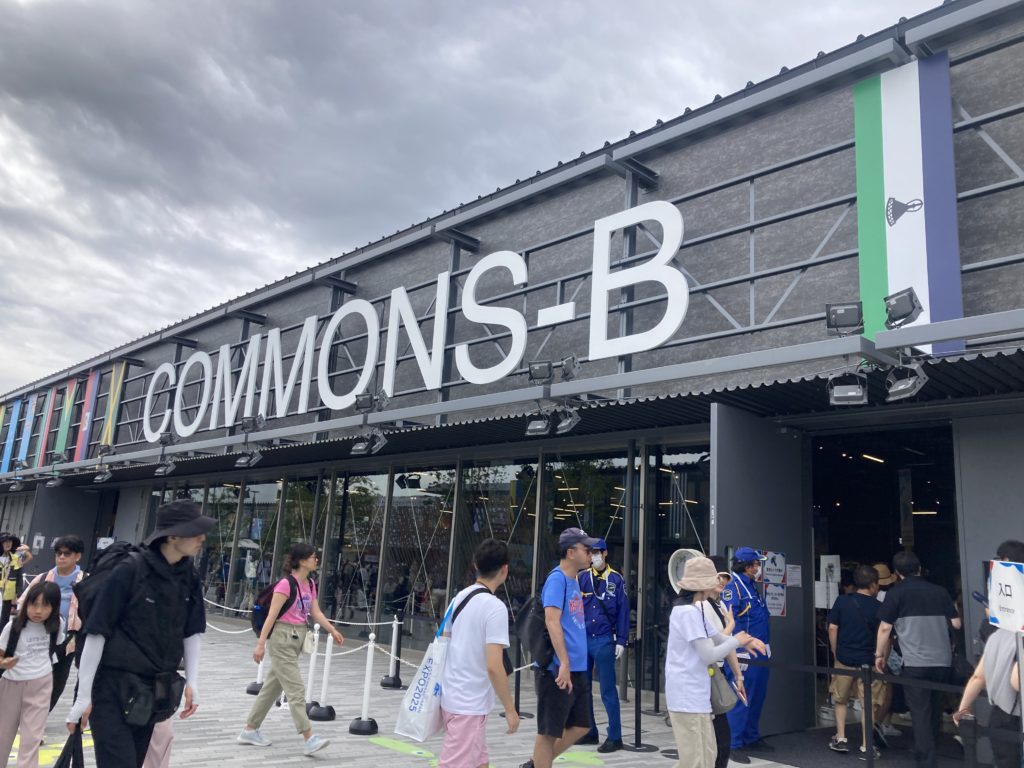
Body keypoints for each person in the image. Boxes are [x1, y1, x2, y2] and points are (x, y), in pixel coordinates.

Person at [65, 500, 213, 768]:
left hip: (151, 691)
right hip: (110, 687)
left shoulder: (188, 576)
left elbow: (192, 631)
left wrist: (193, 682)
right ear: (173, 536)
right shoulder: (130, 569)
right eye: (195, 531)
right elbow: (96, 632)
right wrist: (83, 696)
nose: (202, 538)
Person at [238, 542, 344, 756]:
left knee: (271, 689)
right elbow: (271, 616)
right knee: (296, 689)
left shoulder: (310, 584)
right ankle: (309, 737)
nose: (316, 560)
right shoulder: (286, 584)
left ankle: (249, 730)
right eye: (313, 557)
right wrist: (260, 644)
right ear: (302, 561)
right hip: (282, 638)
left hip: (297, 638)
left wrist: (332, 629)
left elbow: (315, 612)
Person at [666, 556, 766, 768]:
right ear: (702, 585)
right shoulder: (688, 612)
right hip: (688, 697)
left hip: (695, 697)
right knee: (697, 761)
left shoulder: (693, 610)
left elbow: (719, 638)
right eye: (715, 579)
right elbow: (709, 655)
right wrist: (738, 641)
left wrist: (746, 640)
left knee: (705, 756)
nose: (720, 584)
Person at [874, 551, 961, 768]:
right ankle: (932, 748)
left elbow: (885, 628)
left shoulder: (896, 594)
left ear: (897, 573)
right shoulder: (939, 591)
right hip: (942, 660)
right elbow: (957, 623)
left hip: (915, 662)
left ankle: (926, 760)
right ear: (919, 568)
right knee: (935, 708)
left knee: (920, 713)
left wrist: (879, 655)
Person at [521, 527, 599, 768]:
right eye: (587, 549)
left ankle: (536, 763)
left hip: (576, 667)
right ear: (571, 552)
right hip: (556, 669)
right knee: (549, 731)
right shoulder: (557, 579)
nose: (592, 554)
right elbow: (552, 621)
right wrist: (563, 662)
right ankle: (540, 763)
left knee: (581, 726)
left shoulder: (574, 580)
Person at [439, 538, 519, 768]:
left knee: (479, 761)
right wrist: (510, 709)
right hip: (469, 703)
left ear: (476, 565)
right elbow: (494, 666)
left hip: (452, 695)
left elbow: (445, 640)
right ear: (504, 569)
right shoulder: (495, 607)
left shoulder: (459, 598)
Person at [952, 538, 1024, 768]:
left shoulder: (995, 637)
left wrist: (963, 708)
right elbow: (1017, 681)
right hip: (1017, 714)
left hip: (1000, 716)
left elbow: (978, 677)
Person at [0, 581, 63, 768]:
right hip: (11, 683)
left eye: (45, 606)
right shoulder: (14, 627)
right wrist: (4, 663)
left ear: (54, 607)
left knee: (32, 738)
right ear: (26, 603)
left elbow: (56, 647)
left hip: (41, 684)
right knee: (3, 736)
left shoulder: (57, 625)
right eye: (34, 604)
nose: (38, 611)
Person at [19, 535, 85, 711]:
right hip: (39, 638)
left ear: (77, 556)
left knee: (56, 684)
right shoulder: (42, 579)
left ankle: (39, 717)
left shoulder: (85, 581)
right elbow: (22, 604)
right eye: (58, 553)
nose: (61, 557)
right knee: (31, 681)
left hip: (68, 642)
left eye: (67, 553)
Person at [576, 537, 628, 753]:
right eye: (591, 553)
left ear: (605, 553)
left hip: (604, 638)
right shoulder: (581, 578)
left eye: (597, 552)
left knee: (607, 690)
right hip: (583, 638)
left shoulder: (616, 579)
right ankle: (589, 731)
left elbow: (623, 611)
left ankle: (615, 736)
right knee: (583, 688)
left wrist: (622, 640)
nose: (594, 556)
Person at [827, 564, 883, 759]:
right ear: (873, 584)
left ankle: (841, 738)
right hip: (868, 661)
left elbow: (832, 627)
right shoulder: (878, 607)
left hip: (845, 658)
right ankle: (867, 745)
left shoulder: (842, 601)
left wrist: (835, 649)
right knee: (868, 704)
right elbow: (884, 635)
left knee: (840, 699)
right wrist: (881, 657)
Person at [721, 547, 772, 754]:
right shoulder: (733, 588)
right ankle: (734, 744)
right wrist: (744, 643)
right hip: (743, 653)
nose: (759, 568)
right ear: (747, 566)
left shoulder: (752, 586)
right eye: (757, 564)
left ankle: (751, 737)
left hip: (761, 652)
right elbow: (731, 622)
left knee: (757, 696)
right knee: (741, 698)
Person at [699, 556, 746, 768]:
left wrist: (738, 675)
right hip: (703, 675)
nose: (723, 581)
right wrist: (731, 626)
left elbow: (728, 645)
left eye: (726, 578)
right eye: (719, 576)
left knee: (720, 739)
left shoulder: (719, 605)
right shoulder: (700, 606)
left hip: (715, 673)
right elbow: (713, 645)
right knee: (715, 740)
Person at [1, 532, 33, 630]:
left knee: (4, 618)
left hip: (8, 595)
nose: (8, 543)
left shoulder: (15, 558)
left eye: (10, 541)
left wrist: (20, 595)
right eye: (5, 541)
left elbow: (19, 577)